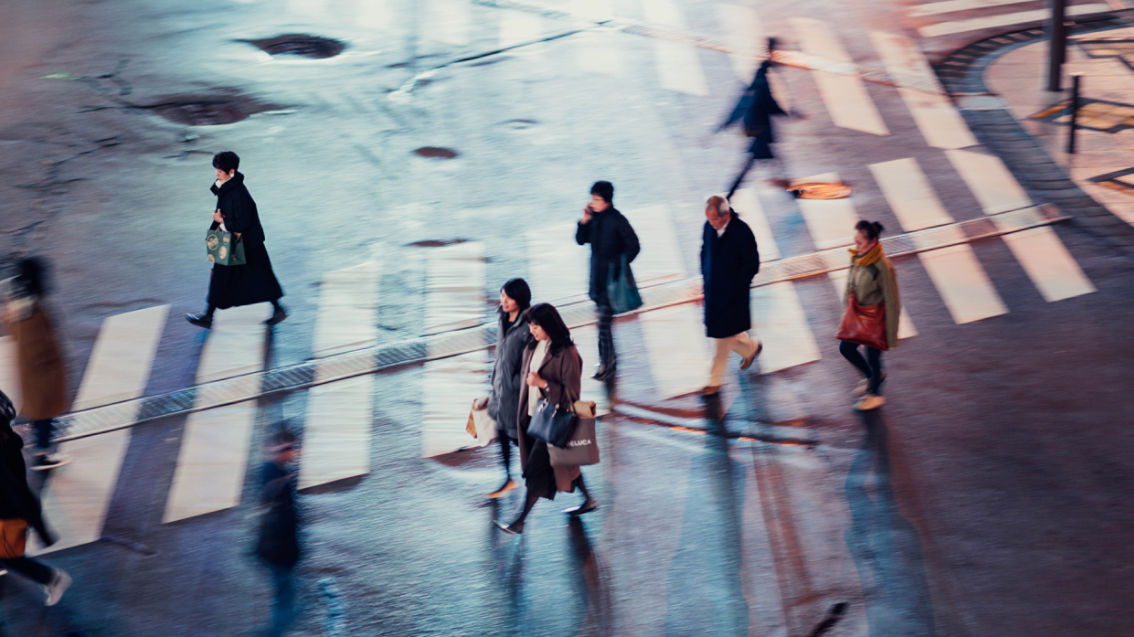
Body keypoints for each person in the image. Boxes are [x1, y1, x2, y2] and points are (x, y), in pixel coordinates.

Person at [495, 303, 597, 535]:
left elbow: (571, 396)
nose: (532, 330)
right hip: (533, 416)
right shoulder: (534, 346)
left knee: (536, 472)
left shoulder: (568, 354)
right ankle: (589, 499)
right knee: (565, 463)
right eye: (530, 325)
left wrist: (542, 384)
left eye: (536, 326)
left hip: (553, 419)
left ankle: (520, 521)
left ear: (549, 325)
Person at [187, 151, 286, 328]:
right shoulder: (228, 187)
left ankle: (209, 316)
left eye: (219, 171)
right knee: (249, 276)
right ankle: (209, 315)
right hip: (237, 240)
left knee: (259, 276)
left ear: (230, 172)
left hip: (246, 243)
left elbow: (243, 222)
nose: (216, 173)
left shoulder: (239, 194)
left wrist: (221, 221)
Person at [0, 390, 72, 606]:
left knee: (8, 557)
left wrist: (41, 528)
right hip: (9, 511)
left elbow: (16, 491)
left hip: (7, 515)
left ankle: (52, 578)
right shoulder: (8, 440)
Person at [1, 257, 70, 470]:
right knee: (44, 413)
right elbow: (38, 346)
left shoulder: (20, 304)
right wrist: (52, 362)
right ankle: (41, 453)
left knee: (42, 413)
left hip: (33, 370)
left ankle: (41, 448)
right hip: (41, 372)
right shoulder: (31, 311)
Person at [575, 181, 640, 381]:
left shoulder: (617, 220)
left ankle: (607, 364)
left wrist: (618, 264)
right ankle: (609, 361)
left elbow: (634, 246)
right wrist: (584, 221)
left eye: (596, 199)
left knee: (603, 325)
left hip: (610, 283)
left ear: (607, 201)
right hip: (597, 280)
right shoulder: (593, 218)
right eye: (591, 198)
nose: (592, 202)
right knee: (604, 326)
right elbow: (580, 239)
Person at [700, 196, 762, 396]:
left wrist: (738, 285)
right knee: (725, 332)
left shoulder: (741, 232)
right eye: (709, 219)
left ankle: (714, 382)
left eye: (715, 220)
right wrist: (706, 274)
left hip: (732, 295)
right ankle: (750, 349)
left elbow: (752, 264)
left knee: (721, 337)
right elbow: (704, 252)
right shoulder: (709, 228)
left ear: (726, 215)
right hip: (714, 291)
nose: (711, 224)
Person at [718, 39, 791, 198]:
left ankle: (730, 195)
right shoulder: (761, 86)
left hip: (755, 131)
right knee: (755, 164)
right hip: (760, 132)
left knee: (759, 163)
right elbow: (771, 104)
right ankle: (730, 195)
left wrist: (723, 125)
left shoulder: (751, 88)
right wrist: (790, 114)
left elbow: (737, 110)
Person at [839, 221, 900, 411]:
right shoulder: (858, 258)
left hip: (876, 319)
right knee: (846, 348)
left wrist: (890, 335)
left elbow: (892, 301)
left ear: (872, 242)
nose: (856, 246)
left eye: (860, 243)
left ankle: (875, 395)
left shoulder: (883, 267)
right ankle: (872, 377)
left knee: (873, 358)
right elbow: (851, 284)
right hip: (859, 315)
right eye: (855, 241)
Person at [485, 278, 533, 499]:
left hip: (518, 399)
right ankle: (507, 478)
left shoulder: (529, 327)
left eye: (508, 297)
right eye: (502, 294)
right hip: (502, 395)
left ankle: (582, 490)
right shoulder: (503, 318)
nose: (503, 300)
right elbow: (501, 356)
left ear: (519, 300)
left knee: (541, 452)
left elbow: (533, 363)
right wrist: (494, 382)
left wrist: (513, 384)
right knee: (502, 435)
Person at [254, 428, 302, 636]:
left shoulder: (277, 474)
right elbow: (278, 518)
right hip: (279, 549)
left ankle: (277, 628)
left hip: (280, 549)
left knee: (286, 594)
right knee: (286, 595)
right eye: (292, 448)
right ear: (283, 450)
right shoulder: (274, 477)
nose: (296, 452)